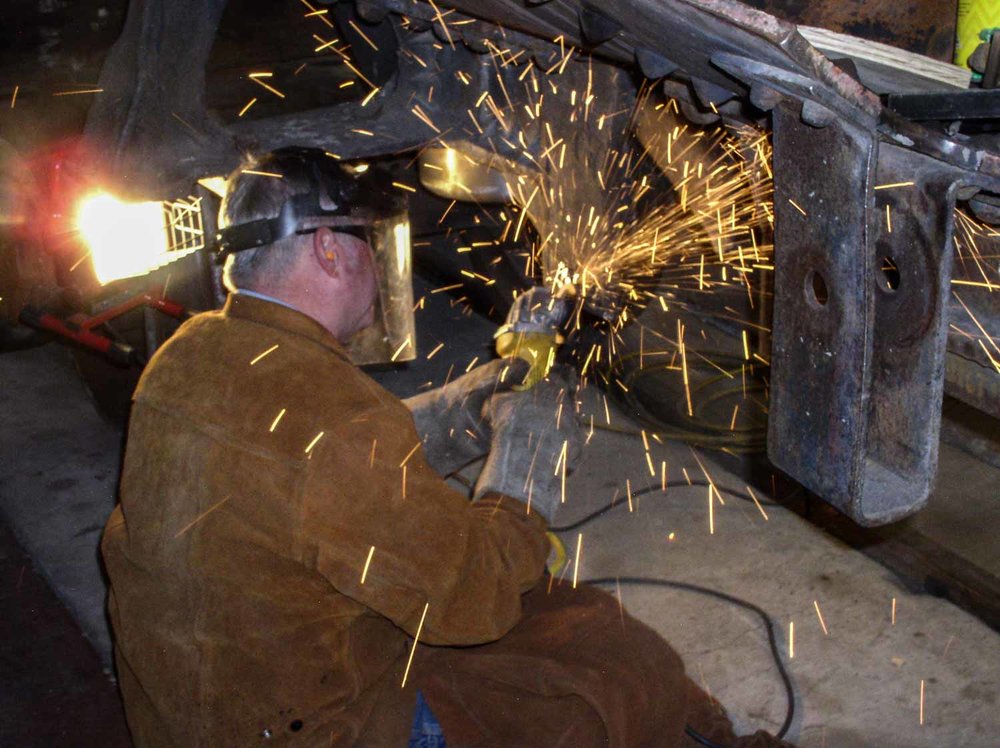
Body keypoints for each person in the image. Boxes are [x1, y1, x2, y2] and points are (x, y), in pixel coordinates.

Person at [101, 148, 789, 747]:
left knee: (568, 619)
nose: (376, 261)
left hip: (205, 712)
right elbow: (476, 595)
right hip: (322, 727)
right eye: (367, 240)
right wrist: (520, 472)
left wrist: (472, 401)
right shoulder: (333, 426)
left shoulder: (189, 354)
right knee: (617, 673)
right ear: (328, 249)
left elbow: (310, 470)